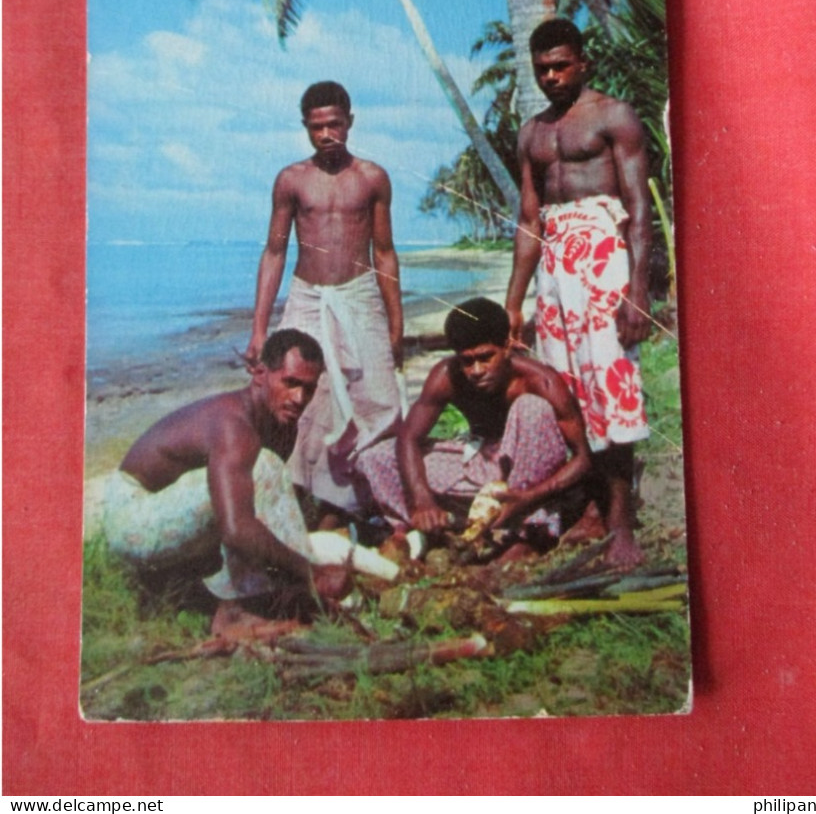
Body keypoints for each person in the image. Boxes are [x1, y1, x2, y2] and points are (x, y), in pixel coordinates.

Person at [505, 17, 653, 567]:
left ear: (583, 61)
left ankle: (621, 516)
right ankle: (590, 506)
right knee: (566, 388)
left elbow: (639, 211)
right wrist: (513, 301)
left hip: (603, 260)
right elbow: (528, 222)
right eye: (542, 68)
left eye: (561, 65)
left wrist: (637, 290)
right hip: (554, 270)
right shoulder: (532, 133)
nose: (551, 76)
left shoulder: (613, 116)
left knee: (612, 385)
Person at [104, 329, 350, 638]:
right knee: (263, 469)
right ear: (260, 374)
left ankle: (256, 596)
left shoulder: (283, 425)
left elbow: (258, 510)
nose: (299, 398)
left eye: (308, 389)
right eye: (290, 383)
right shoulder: (234, 426)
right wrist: (312, 573)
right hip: (131, 518)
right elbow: (237, 529)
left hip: (168, 507)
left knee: (256, 480)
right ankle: (237, 612)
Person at [244, 81, 403, 516]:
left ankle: (367, 502)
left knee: (376, 396)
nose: (326, 135)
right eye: (317, 128)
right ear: (305, 128)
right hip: (307, 296)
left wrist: (396, 325)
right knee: (298, 399)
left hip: (358, 293)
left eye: (334, 124)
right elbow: (274, 251)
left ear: (349, 122)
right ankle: (297, 503)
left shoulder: (372, 178)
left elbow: (384, 252)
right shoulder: (292, 180)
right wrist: (260, 329)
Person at [359, 298, 591, 542]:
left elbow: (583, 458)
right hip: (481, 465)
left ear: (507, 346)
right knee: (375, 456)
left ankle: (525, 530)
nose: (477, 371)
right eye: (467, 361)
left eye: (485, 357)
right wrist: (422, 498)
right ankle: (435, 525)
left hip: (530, 477)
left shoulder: (541, 382)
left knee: (531, 407)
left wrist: (529, 497)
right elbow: (409, 437)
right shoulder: (447, 376)